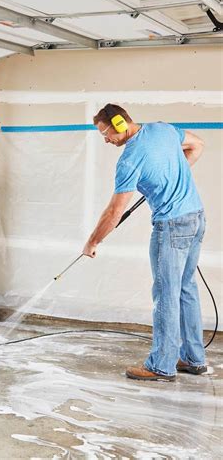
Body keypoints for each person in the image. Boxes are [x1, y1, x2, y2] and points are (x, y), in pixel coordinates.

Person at [83, 103, 206, 382]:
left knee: (166, 295)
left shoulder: (129, 159)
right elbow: (198, 145)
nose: (105, 140)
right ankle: (194, 359)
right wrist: (170, 178)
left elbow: (114, 211)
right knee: (185, 288)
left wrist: (93, 241)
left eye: (106, 133)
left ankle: (161, 366)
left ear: (120, 124)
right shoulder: (162, 130)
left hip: (172, 226)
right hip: (196, 217)